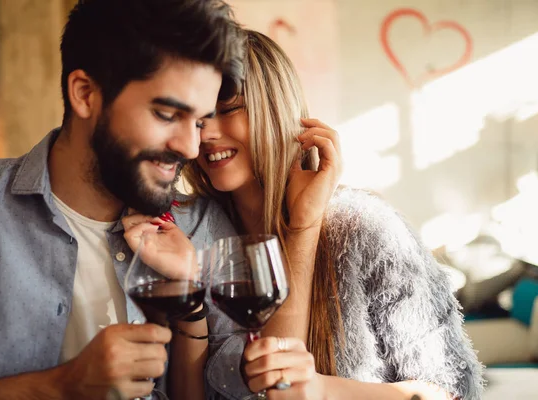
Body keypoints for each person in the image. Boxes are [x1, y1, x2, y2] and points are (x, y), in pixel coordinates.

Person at [0, 0, 243, 399]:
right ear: (85, 94)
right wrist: (57, 387)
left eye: (200, 121)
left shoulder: (202, 229)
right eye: (167, 114)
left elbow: (256, 384)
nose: (191, 147)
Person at [183, 30, 485, 400]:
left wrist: (323, 389)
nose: (207, 133)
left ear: (276, 109)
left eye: (228, 109)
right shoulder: (195, 234)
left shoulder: (365, 228)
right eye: (197, 118)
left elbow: (452, 392)